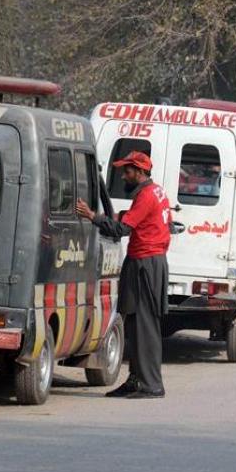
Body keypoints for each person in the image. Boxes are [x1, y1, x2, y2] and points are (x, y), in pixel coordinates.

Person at [76, 150, 171, 399]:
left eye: (127, 171)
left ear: (140, 171)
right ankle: (136, 380)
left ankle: (151, 385)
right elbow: (133, 220)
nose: (124, 175)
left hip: (146, 265)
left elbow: (122, 228)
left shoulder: (147, 196)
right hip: (147, 262)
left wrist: (92, 217)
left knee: (144, 326)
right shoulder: (154, 192)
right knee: (133, 323)